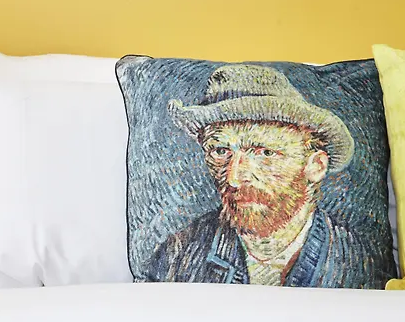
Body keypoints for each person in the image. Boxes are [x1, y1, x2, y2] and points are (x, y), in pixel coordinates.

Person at [147, 64, 391, 288]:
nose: (234, 177)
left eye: (265, 153)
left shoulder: (358, 263)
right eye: (220, 151)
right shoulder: (177, 255)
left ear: (315, 166)